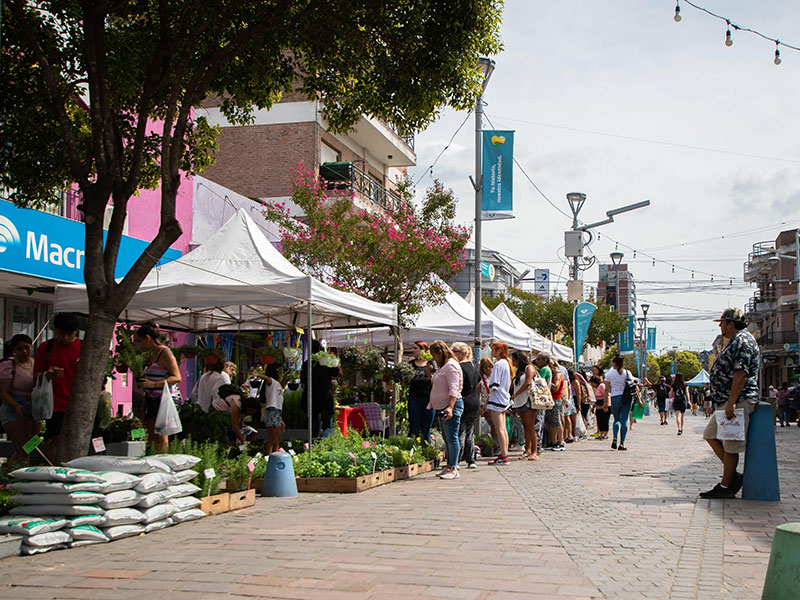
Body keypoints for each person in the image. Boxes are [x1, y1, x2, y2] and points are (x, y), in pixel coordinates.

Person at [700, 308, 760, 499]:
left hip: (738, 400)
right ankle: (732, 476)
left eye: (722, 323)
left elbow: (741, 374)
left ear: (731, 324)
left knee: (731, 443)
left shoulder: (742, 341)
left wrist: (732, 402)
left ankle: (726, 486)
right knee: (710, 435)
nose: (720, 326)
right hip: (727, 400)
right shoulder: (734, 341)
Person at [33, 312, 82, 464]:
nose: (65, 338)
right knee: (56, 438)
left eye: (69, 334)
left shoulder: (84, 348)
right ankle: (54, 468)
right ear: (55, 330)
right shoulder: (46, 348)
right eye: (61, 333)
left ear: (76, 332)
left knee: (76, 439)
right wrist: (47, 375)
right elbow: (35, 376)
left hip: (79, 403)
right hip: (54, 403)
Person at [135, 322, 181, 452]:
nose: (139, 345)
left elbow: (177, 377)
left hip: (164, 400)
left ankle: (162, 459)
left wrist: (153, 384)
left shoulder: (165, 353)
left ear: (147, 338)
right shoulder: (152, 355)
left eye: (140, 341)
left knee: (160, 436)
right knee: (151, 436)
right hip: (152, 400)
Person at [0, 334, 38, 464]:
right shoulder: (8, 366)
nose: (24, 352)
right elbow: (3, 392)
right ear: (14, 351)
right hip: (14, 410)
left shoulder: (36, 364)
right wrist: (16, 405)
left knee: (31, 445)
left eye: (27, 348)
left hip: (33, 410)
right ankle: (18, 471)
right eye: (19, 349)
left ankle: (8, 470)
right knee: (23, 448)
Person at [428, 340, 463, 480]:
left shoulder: (451, 366)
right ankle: (449, 465)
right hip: (442, 406)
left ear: (440, 353)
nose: (434, 358)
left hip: (450, 406)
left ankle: (454, 467)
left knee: (452, 437)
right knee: (447, 437)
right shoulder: (444, 366)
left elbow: (454, 388)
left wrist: (450, 407)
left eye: (434, 355)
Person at [301, 340, 339, 438]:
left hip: (312, 395)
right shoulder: (325, 362)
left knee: (313, 420)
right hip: (325, 395)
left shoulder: (306, 364)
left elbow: (303, 382)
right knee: (327, 420)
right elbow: (335, 373)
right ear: (319, 349)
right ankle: (325, 441)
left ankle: (313, 441)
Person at [452, 342, 478, 469]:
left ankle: (456, 459)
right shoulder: (473, 367)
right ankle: (471, 459)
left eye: (455, 351)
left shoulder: (459, 367)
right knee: (469, 431)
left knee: (461, 431)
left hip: (464, 401)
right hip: (474, 401)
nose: (452, 353)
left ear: (462, 353)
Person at [486, 341, 513, 465]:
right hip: (504, 398)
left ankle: (503, 455)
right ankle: (504, 454)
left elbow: (494, 384)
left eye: (494, 349)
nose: (492, 352)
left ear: (499, 351)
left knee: (499, 429)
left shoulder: (498, 364)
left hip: (497, 398)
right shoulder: (506, 363)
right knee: (503, 429)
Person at [509, 350, 538, 460]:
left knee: (530, 426)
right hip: (520, 401)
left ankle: (535, 451)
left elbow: (528, 382)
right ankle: (528, 450)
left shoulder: (529, 368)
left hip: (528, 400)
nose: (513, 362)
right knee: (525, 426)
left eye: (514, 360)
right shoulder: (519, 371)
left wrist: (516, 394)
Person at [407, 341, 435, 443]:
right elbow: (405, 383)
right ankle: (413, 448)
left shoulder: (431, 364)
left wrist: (429, 373)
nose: (413, 351)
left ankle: (426, 448)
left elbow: (436, 381)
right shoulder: (410, 364)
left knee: (426, 428)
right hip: (414, 398)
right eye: (413, 348)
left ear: (423, 350)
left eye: (416, 348)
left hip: (428, 399)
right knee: (414, 426)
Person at [604, 355, 633, 451]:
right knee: (624, 420)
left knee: (616, 419)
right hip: (626, 398)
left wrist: (605, 402)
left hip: (614, 397)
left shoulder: (609, 374)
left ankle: (615, 437)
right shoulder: (627, 373)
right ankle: (622, 443)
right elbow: (632, 385)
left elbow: (606, 390)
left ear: (614, 363)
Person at [533, 352, 551, 454]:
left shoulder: (544, 369)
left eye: (539, 359)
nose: (537, 361)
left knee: (538, 422)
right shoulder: (545, 369)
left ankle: (537, 446)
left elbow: (538, 381)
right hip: (543, 399)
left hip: (541, 398)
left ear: (545, 360)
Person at [546, 359, 566, 451]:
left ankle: (560, 442)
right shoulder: (553, 375)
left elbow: (556, 388)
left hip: (556, 399)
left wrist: (547, 381)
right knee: (552, 422)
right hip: (551, 399)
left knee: (557, 421)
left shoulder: (558, 375)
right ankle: (554, 441)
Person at [589, 375, 609, 440]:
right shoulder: (595, 388)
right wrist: (593, 407)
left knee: (604, 420)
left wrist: (606, 404)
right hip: (598, 406)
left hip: (604, 406)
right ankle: (601, 433)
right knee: (599, 420)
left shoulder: (601, 386)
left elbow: (606, 394)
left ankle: (605, 434)